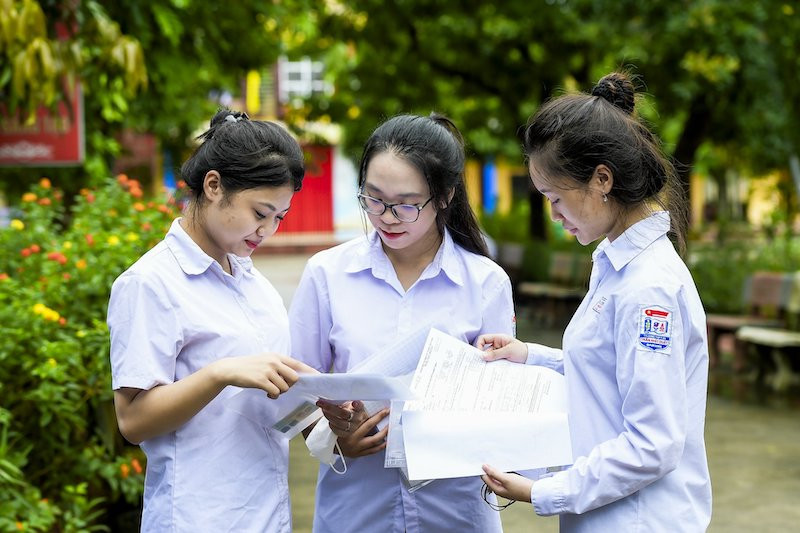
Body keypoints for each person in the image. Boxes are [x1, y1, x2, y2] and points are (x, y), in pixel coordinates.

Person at [477, 72, 712, 531]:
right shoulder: (615, 263)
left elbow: (653, 444)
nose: (554, 214)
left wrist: (542, 491)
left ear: (601, 179)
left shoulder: (649, 289)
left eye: (556, 197)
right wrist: (528, 356)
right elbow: (609, 372)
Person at [289, 113, 515, 532]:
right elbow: (297, 391)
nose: (388, 216)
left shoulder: (484, 283)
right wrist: (334, 439)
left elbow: (502, 401)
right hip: (356, 509)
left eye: (407, 204)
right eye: (374, 199)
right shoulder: (327, 275)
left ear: (445, 196)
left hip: (455, 512)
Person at [108, 109, 316, 532]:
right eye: (260, 213)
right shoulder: (150, 283)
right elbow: (132, 421)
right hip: (196, 517)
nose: (268, 231)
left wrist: (321, 411)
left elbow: (265, 406)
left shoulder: (253, 282)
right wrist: (219, 374)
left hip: (268, 513)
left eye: (279, 217)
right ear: (214, 185)